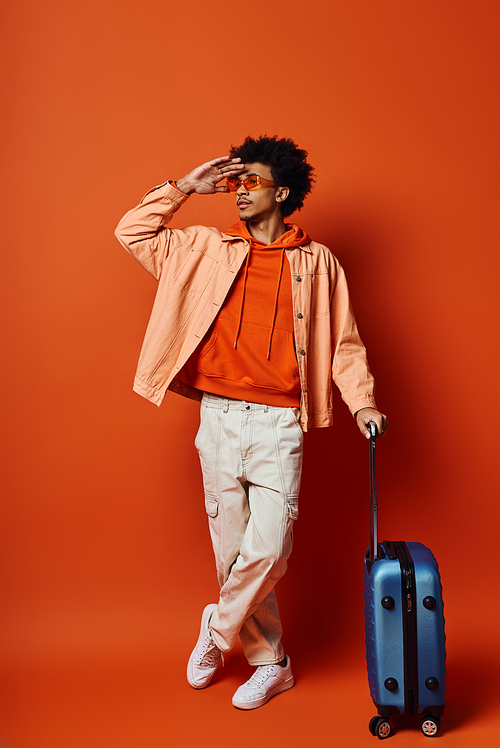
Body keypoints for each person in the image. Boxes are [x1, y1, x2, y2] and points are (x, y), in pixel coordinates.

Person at [115, 135, 388, 710]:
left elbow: (343, 341)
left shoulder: (317, 262)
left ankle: (216, 628)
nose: (238, 191)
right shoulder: (204, 248)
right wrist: (185, 188)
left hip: (279, 423)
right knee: (230, 550)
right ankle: (273, 665)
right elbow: (132, 232)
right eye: (235, 182)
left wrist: (361, 401)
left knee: (269, 548)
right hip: (218, 418)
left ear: (282, 192)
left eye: (252, 182)